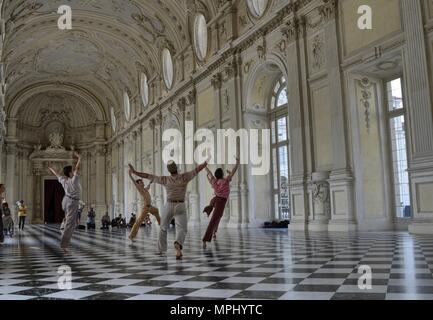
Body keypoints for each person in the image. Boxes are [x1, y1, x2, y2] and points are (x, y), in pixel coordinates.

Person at [129, 159, 208, 260]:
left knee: (163, 228)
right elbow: (197, 169)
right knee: (182, 229)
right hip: (181, 205)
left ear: (169, 171)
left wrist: (135, 172)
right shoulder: (184, 177)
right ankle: (178, 244)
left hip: (169, 204)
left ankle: (161, 250)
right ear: (176, 169)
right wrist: (205, 163)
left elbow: (148, 176)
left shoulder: (165, 179)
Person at [48, 152, 82, 254]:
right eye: (72, 171)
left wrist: (51, 168)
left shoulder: (64, 180)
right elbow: (77, 168)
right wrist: (79, 158)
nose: (74, 171)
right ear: (70, 173)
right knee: (70, 225)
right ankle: (63, 245)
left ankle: (64, 225)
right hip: (72, 202)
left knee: (69, 220)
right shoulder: (74, 180)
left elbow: (57, 174)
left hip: (66, 200)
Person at [202, 157, 240, 249]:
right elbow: (234, 171)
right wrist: (237, 163)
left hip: (215, 199)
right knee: (214, 219)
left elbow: (210, 174)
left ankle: (209, 209)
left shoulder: (215, 181)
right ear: (222, 174)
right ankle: (205, 239)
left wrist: (205, 166)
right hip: (221, 202)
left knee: (217, 216)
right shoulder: (226, 181)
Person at [127, 169, 161, 242]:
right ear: (139, 184)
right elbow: (134, 182)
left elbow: (148, 186)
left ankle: (160, 224)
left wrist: (151, 181)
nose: (142, 182)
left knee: (156, 210)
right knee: (139, 221)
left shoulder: (145, 189)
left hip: (150, 207)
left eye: (142, 181)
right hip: (146, 208)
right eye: (141, 182)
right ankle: (131, 236)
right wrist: (130, 175)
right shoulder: (140, 189)